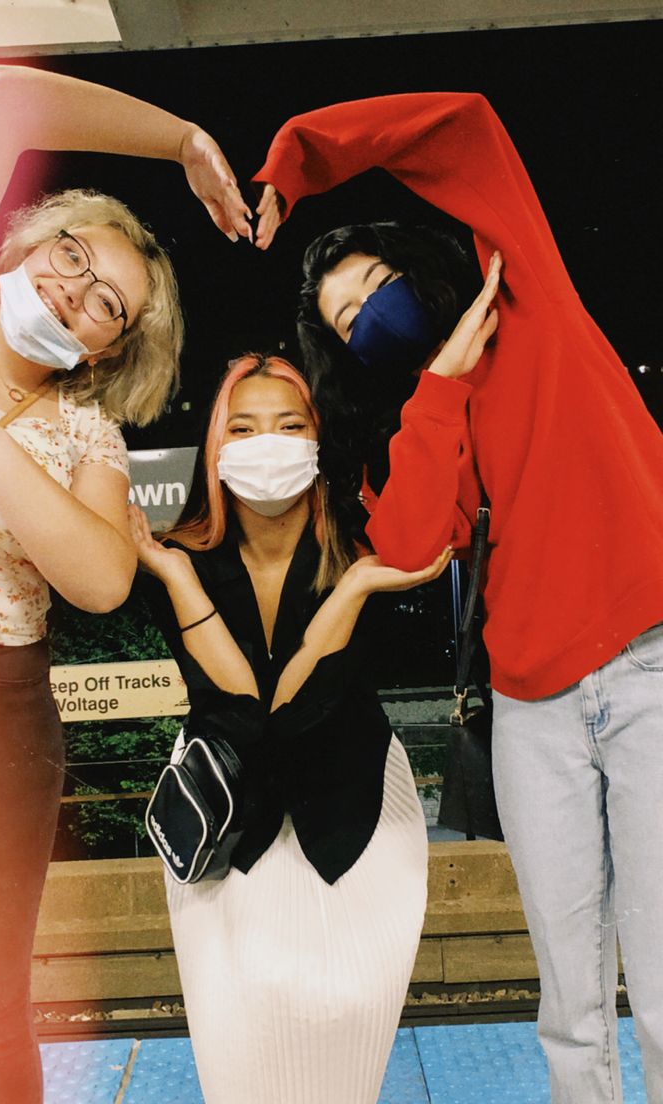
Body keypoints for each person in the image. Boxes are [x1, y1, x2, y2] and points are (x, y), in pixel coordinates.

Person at [252, 92, 663, 1104]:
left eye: (376, 285)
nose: (370, 316)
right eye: (348, 320)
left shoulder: (531, 296)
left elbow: (464, 126)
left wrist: (297, 159)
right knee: (568, 1002)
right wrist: (437, 384)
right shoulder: (420, 420)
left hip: (650, 670)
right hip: (532, 710)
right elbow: (405, 545)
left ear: (416, 264)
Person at [0, 63, 250, 1104]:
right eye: (72, 255)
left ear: (113, 348)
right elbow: (8, 104)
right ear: (32, 240)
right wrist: (184, 138)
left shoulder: (89, 434)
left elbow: (103, 579)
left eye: (107, 302)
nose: (74, 287)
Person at [131, 353, 451, 1104]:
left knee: (346, 1031)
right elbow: (242, 712)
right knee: (236, 1042)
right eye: (241, 427)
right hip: (224, 814)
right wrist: (176, 577)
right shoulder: (184, 556)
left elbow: (302, 713)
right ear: (215, 447)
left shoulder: (367, 540)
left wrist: (357, 585)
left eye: (287, 424)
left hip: (358, 811)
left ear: (315, 439)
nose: (264, 443)